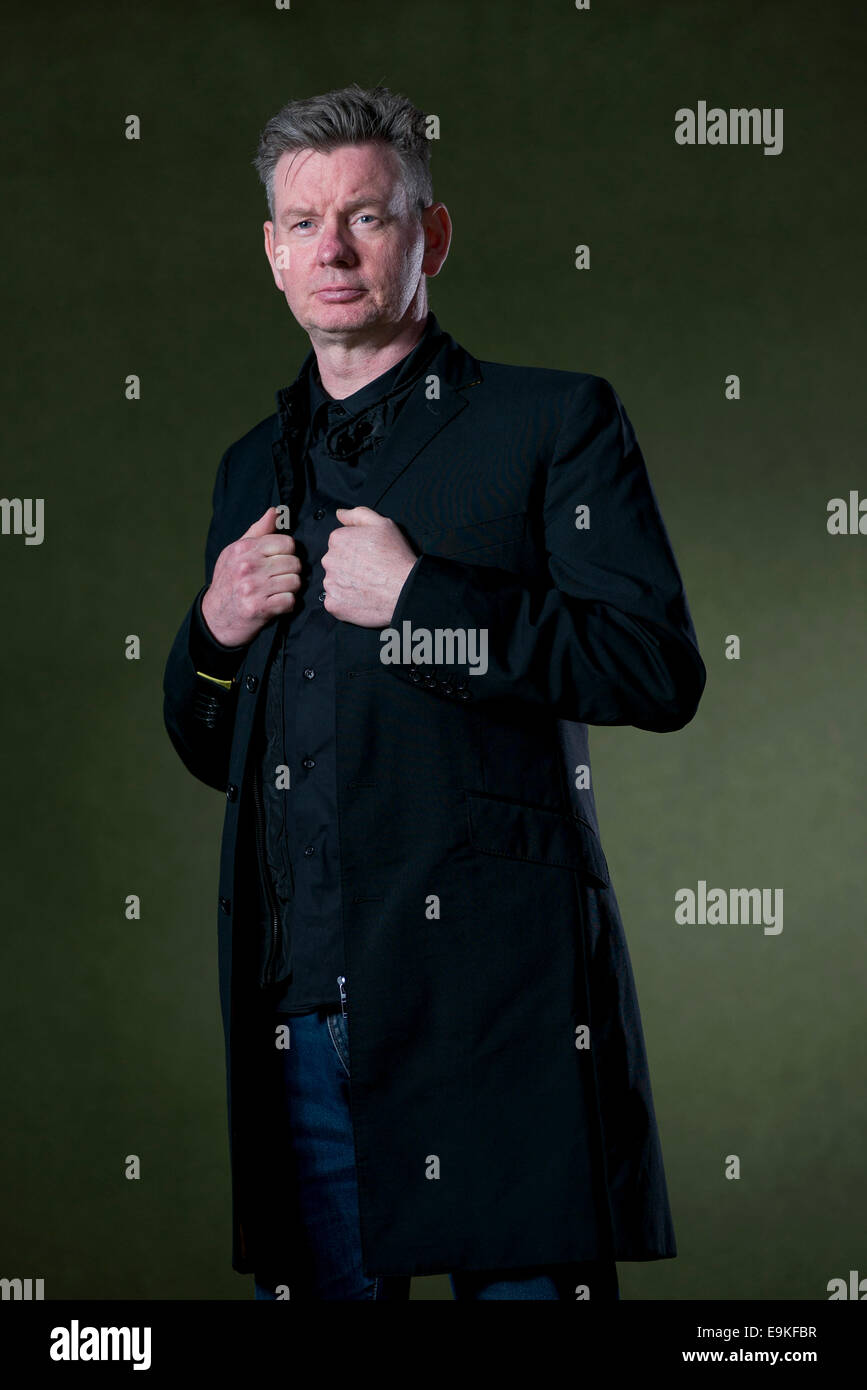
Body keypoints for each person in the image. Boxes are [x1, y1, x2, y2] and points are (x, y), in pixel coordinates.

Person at [162, 83, 706, 1301]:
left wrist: (423, 604)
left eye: (367, 216)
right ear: (270, 252)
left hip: (500, 1019)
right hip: (301, 1026)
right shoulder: (248, 466)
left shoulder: (554, 420)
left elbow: (658, 669)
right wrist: (215, 623)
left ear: (433, 237)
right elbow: (209, 746)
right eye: (303, 224)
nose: (334, 250)